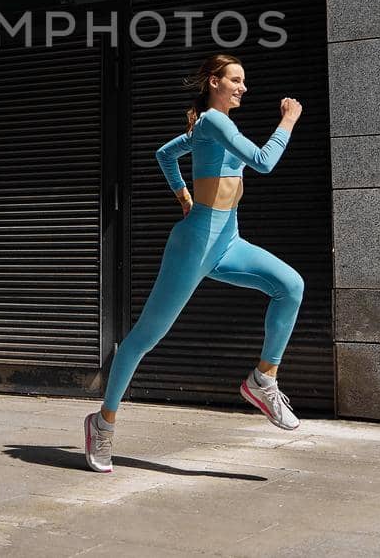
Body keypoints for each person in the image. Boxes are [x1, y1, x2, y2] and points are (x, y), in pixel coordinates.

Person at [82, 52, 304, 473]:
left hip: (228, 242)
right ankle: (102, 424)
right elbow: (264, 162)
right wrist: (288, 119)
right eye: (235, 80)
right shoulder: (214, 121)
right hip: (194, 246)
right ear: (214, 83)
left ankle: (263, 379)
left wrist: (183, 194)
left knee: (291, 286)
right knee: (143, 340)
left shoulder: (209, 127)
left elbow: (165, 154)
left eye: (244, 81)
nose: (243, 87)